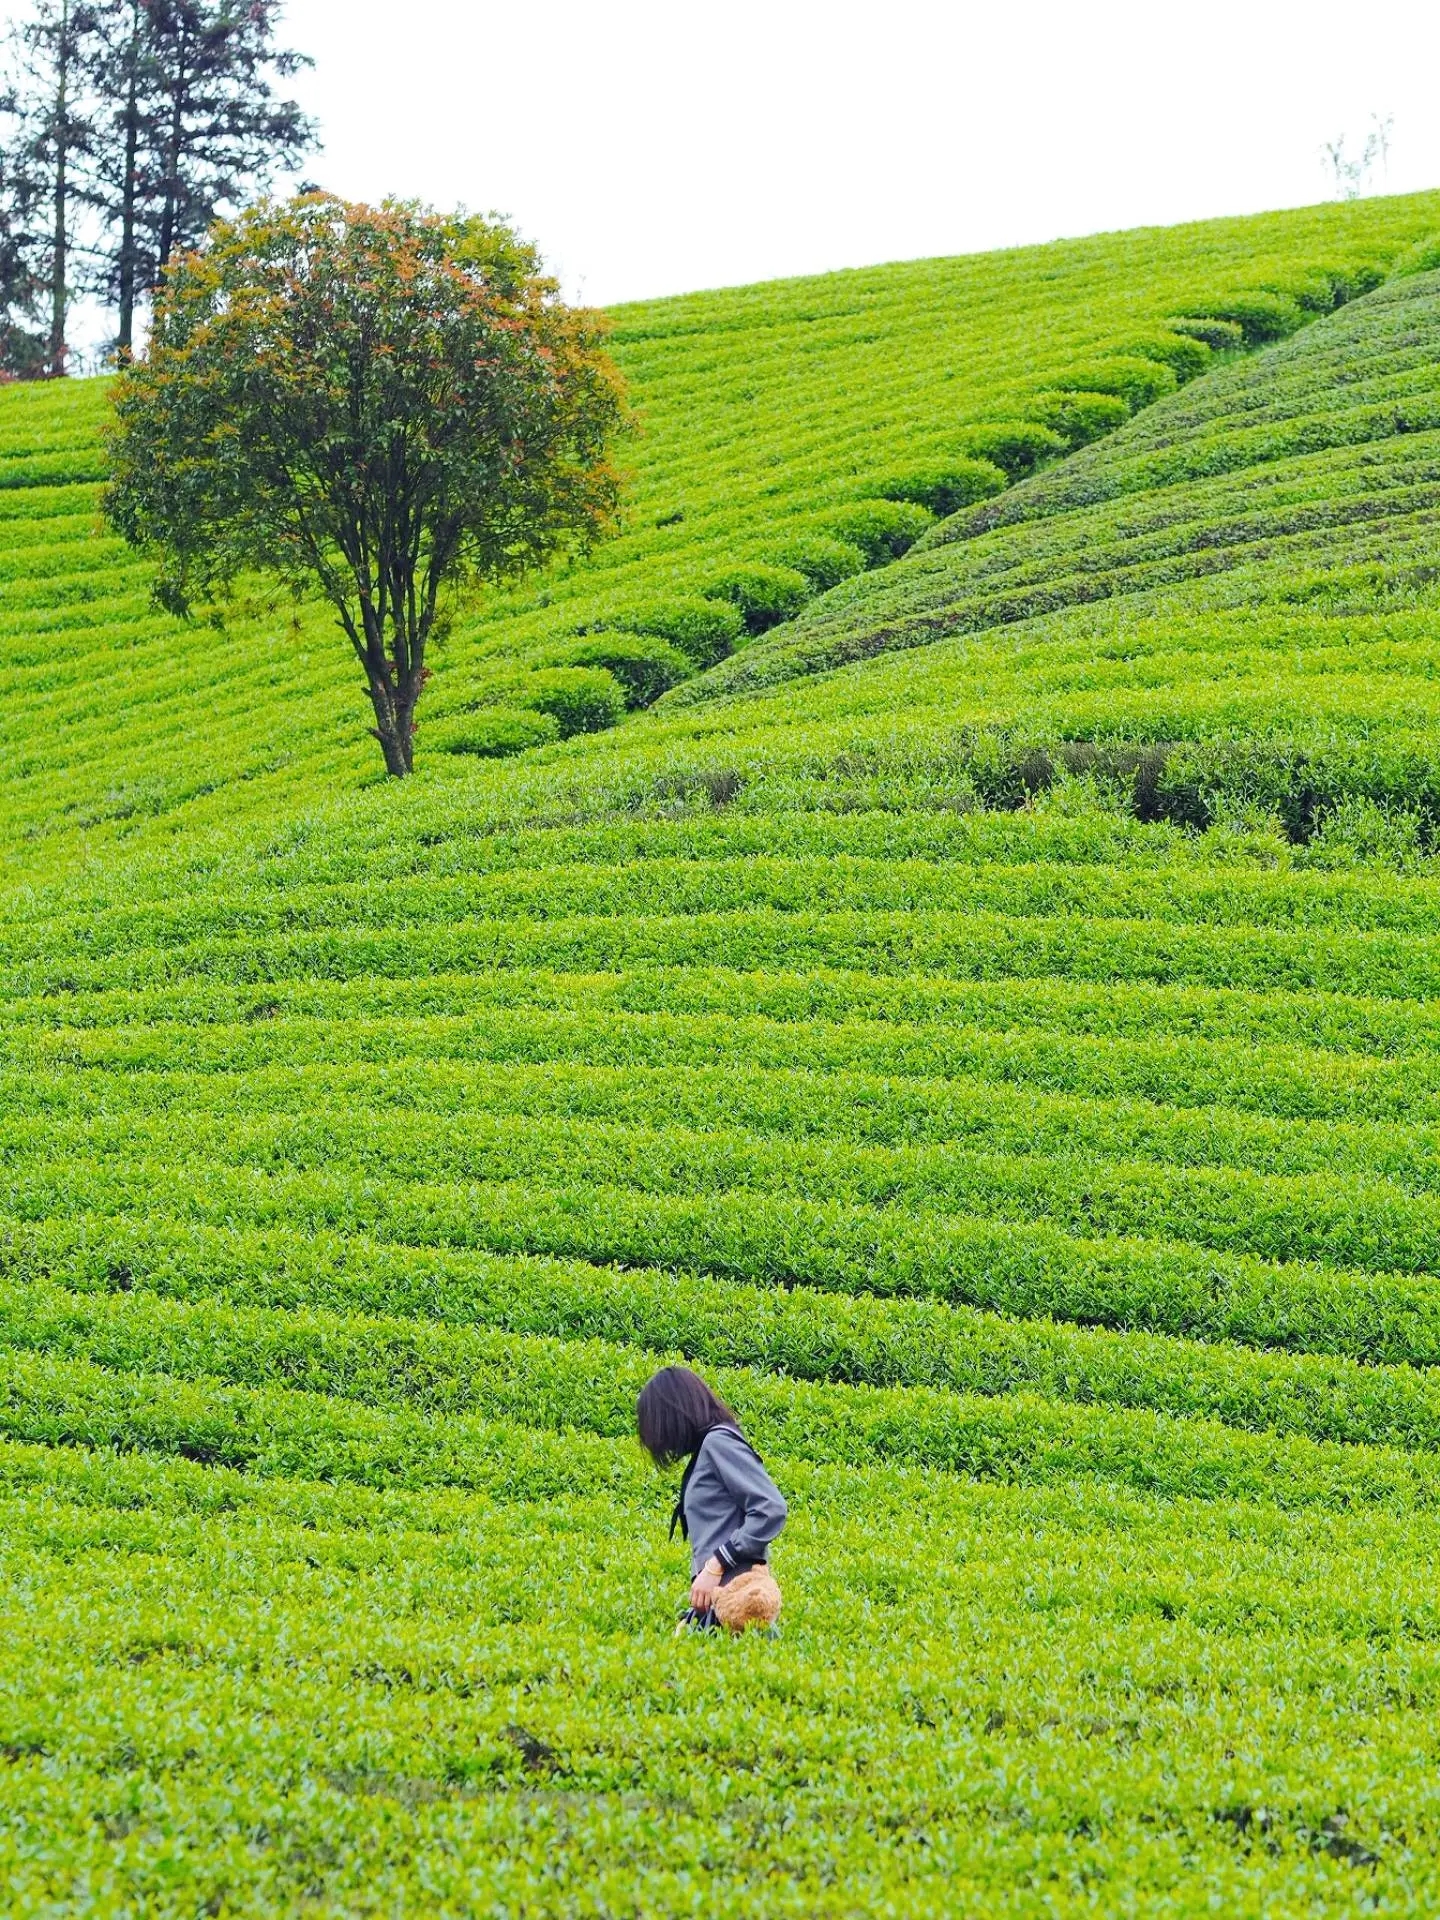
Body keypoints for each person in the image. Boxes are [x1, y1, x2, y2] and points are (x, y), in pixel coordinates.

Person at [636, 1365, 787, 1629]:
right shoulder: (707, 1449)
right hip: (722, 1602)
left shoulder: (719, 1443)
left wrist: (716, 1565)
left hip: (740, 1601)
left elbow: (770, 1508)